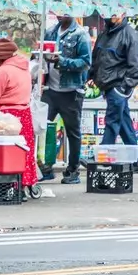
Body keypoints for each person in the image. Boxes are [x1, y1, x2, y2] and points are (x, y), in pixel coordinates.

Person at [0, 36, 39, 192]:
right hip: (24, 114)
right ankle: (23, 184)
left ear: (1, 58)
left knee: (6, 153)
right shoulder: (24, 67)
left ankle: (9, 185)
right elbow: (11, 88)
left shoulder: (4, 71)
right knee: (22, 150)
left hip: (5, 116)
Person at [41, 12, 92, 185]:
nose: (59, 15)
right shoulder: (49, 32)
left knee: (73, 133)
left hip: (71, 91)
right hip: (50, 89)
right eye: (57, 11)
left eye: (64, 12)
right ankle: (45, 167)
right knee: (42, 128)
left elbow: (85, 63)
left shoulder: (80, 35)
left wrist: (61, 60)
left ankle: (73, 170)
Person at [94, 10, 138, 171]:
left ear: (123, 14)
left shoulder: (130, 35)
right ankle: (137, 161)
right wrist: (91, 75)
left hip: (118, 87)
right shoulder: (105, 34)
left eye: (114, 13)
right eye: (108, 12)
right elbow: (97, 57)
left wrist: (124, 87)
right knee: (123, 122)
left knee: (112, 122)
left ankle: (102, 158)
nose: (111, 16)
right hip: (109, 85)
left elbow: (136, 67)